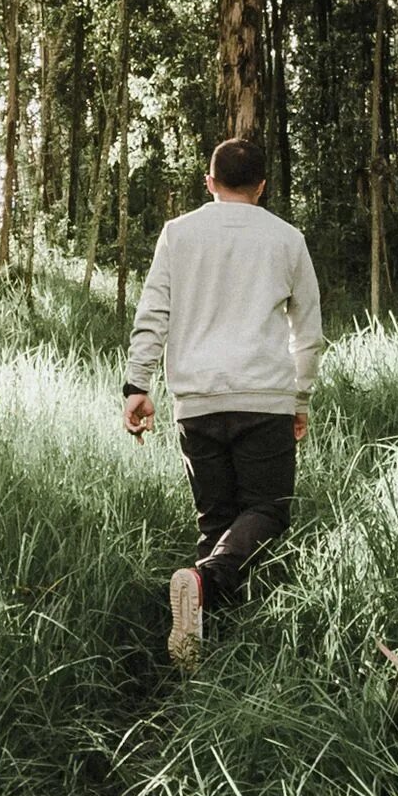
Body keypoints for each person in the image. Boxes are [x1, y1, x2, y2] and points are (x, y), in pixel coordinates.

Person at [124, 138, 324, 668]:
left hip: (197, 399)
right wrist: (299, 398)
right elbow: (308, 333)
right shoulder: (287, 239)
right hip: (265, 399)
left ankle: (203, 650)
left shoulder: (179, 234)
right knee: (268, 510)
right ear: (261, 186)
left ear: (209, 183)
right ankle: (203, 584)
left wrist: (136, 385)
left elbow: (154, 312)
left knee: (217, 524)